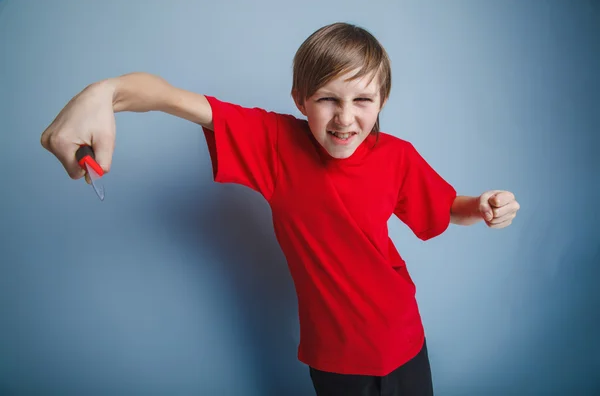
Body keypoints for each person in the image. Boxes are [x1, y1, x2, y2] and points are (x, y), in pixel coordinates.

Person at [40, 22, 520, 396]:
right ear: (300, 99)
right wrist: (103, 92)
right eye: (327, 99)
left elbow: (443, 207)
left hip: (405, 339)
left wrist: (480, 205)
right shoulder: (275, 144)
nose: (345, 118)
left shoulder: (397, 155)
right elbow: (168, 97)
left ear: (383, 100)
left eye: (363, 100)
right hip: (335, 360)